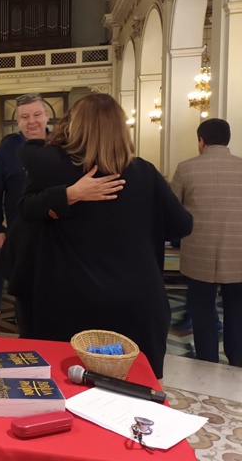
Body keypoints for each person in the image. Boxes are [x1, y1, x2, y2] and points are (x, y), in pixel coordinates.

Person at [18, 93, 193, 379]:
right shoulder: (145, 172)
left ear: (75, 127)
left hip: (72, 298)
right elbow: (182, 226)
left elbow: (26, 206)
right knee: (134, 389)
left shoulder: (55, 170)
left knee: (67, 386)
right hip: (136, 298)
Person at [171, 118, 242, 367]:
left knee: (201, 311)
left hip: (198, 254)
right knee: (237, 311)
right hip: (238, 254)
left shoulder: (186, 168)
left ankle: (207, 362)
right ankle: (238, 362)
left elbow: (174, 211)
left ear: (201, 141)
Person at [0, 93, 49, 334]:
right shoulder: (8, 148)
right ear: (18, 121)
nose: (31, 121)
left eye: (37, 114)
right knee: (22, 290)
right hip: (18, 232)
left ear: (46, 116)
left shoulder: (61, 144)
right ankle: (27, 336)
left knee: (51, 291)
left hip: (54, 233)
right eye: (25, 117)